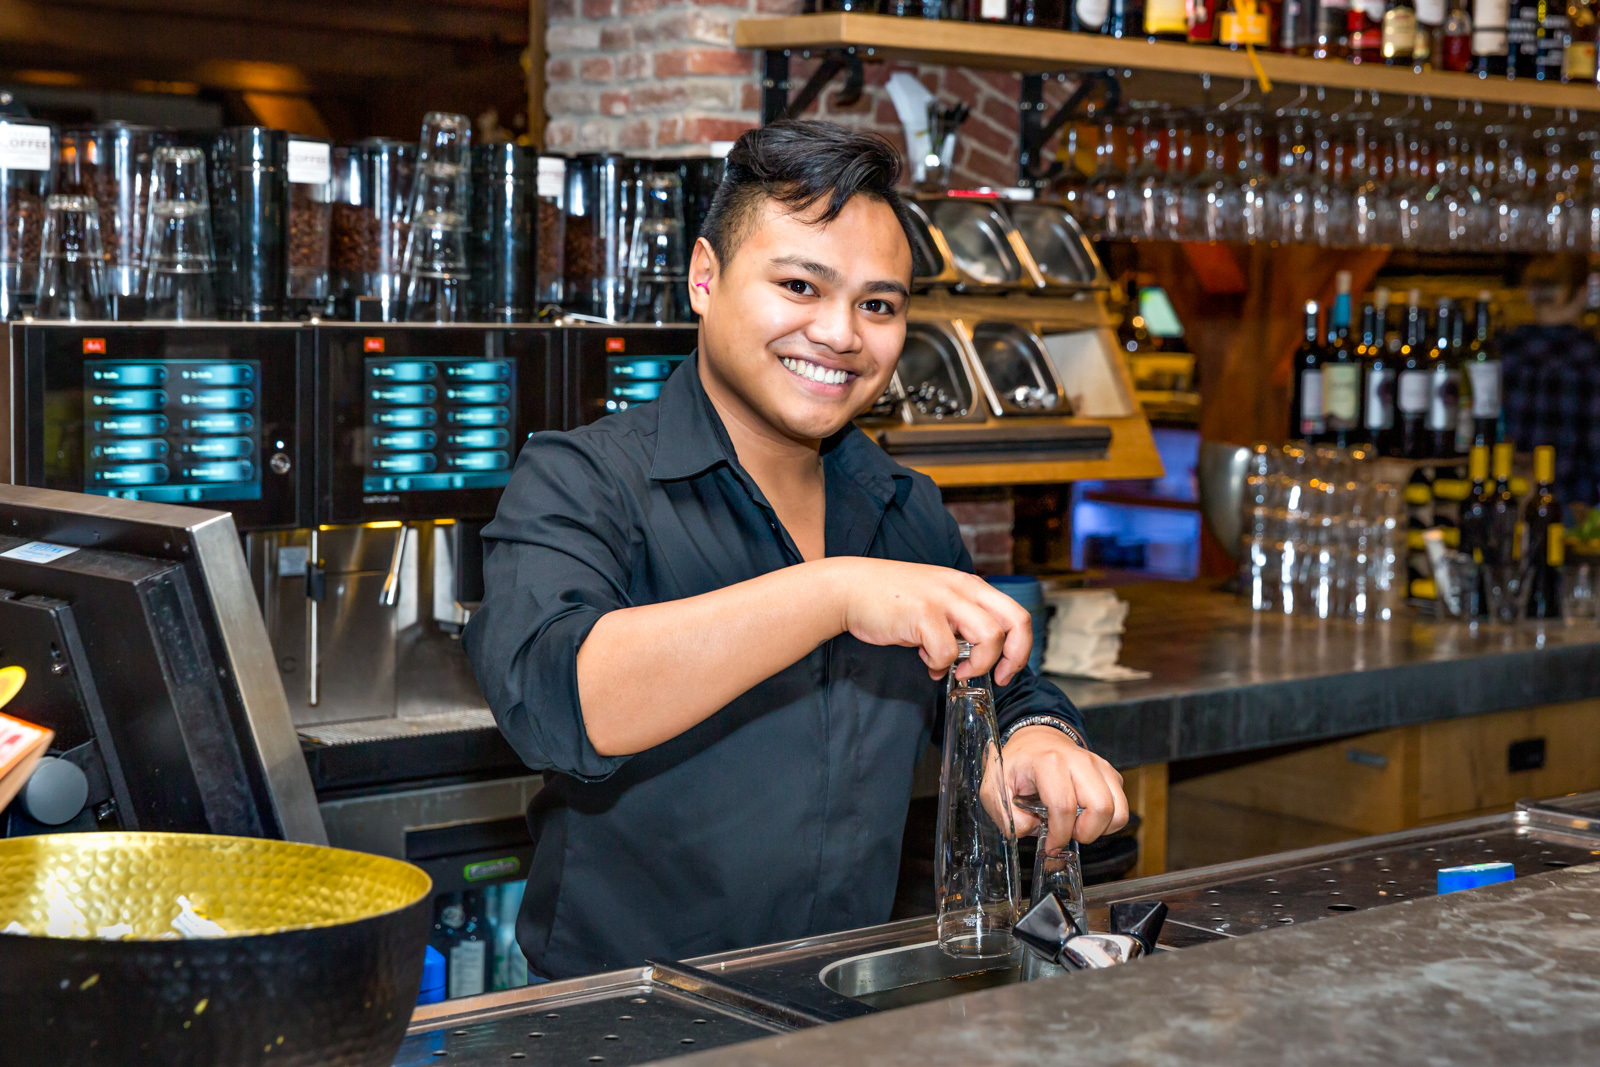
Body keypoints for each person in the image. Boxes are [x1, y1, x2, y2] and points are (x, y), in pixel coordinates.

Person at [462, 120, 1127, 980]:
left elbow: (999, 684)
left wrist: (1037, 738)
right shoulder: (585, 479)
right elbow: (557, 703)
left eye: (878, 305)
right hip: (628, 1015)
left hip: (839, 1001)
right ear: (705, 278)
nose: (841, 333)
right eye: (800, 286)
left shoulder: (900, 505)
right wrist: (833, 594)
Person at [1501, 256, 1600, 507]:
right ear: (1583, 294)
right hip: (1572, 501)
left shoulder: (1504, 350)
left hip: (1510, 496)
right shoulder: (1590, 357)